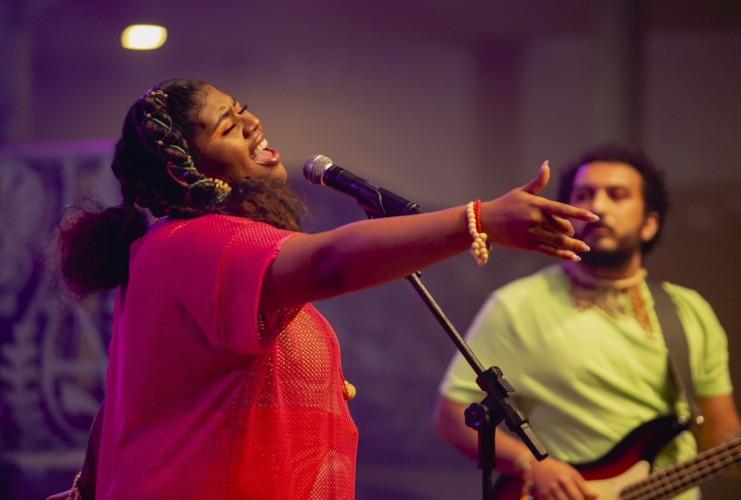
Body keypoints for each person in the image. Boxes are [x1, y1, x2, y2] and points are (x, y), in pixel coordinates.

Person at [48, 78, 598, 499]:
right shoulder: (197, 243)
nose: (252, 123)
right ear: (188, 169)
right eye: (227, 126)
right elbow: (332, 262)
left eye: (242, 111)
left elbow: (141, 404)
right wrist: (478, 219)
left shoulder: (173, 252)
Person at [434, 144, 741, 499]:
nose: (597, 207)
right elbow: (451, 417)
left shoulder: (689, 311)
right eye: (584, 195)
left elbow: (722, 434)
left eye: (617, 195)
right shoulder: (516, 305)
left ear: (649, 223)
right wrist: (530, 464)